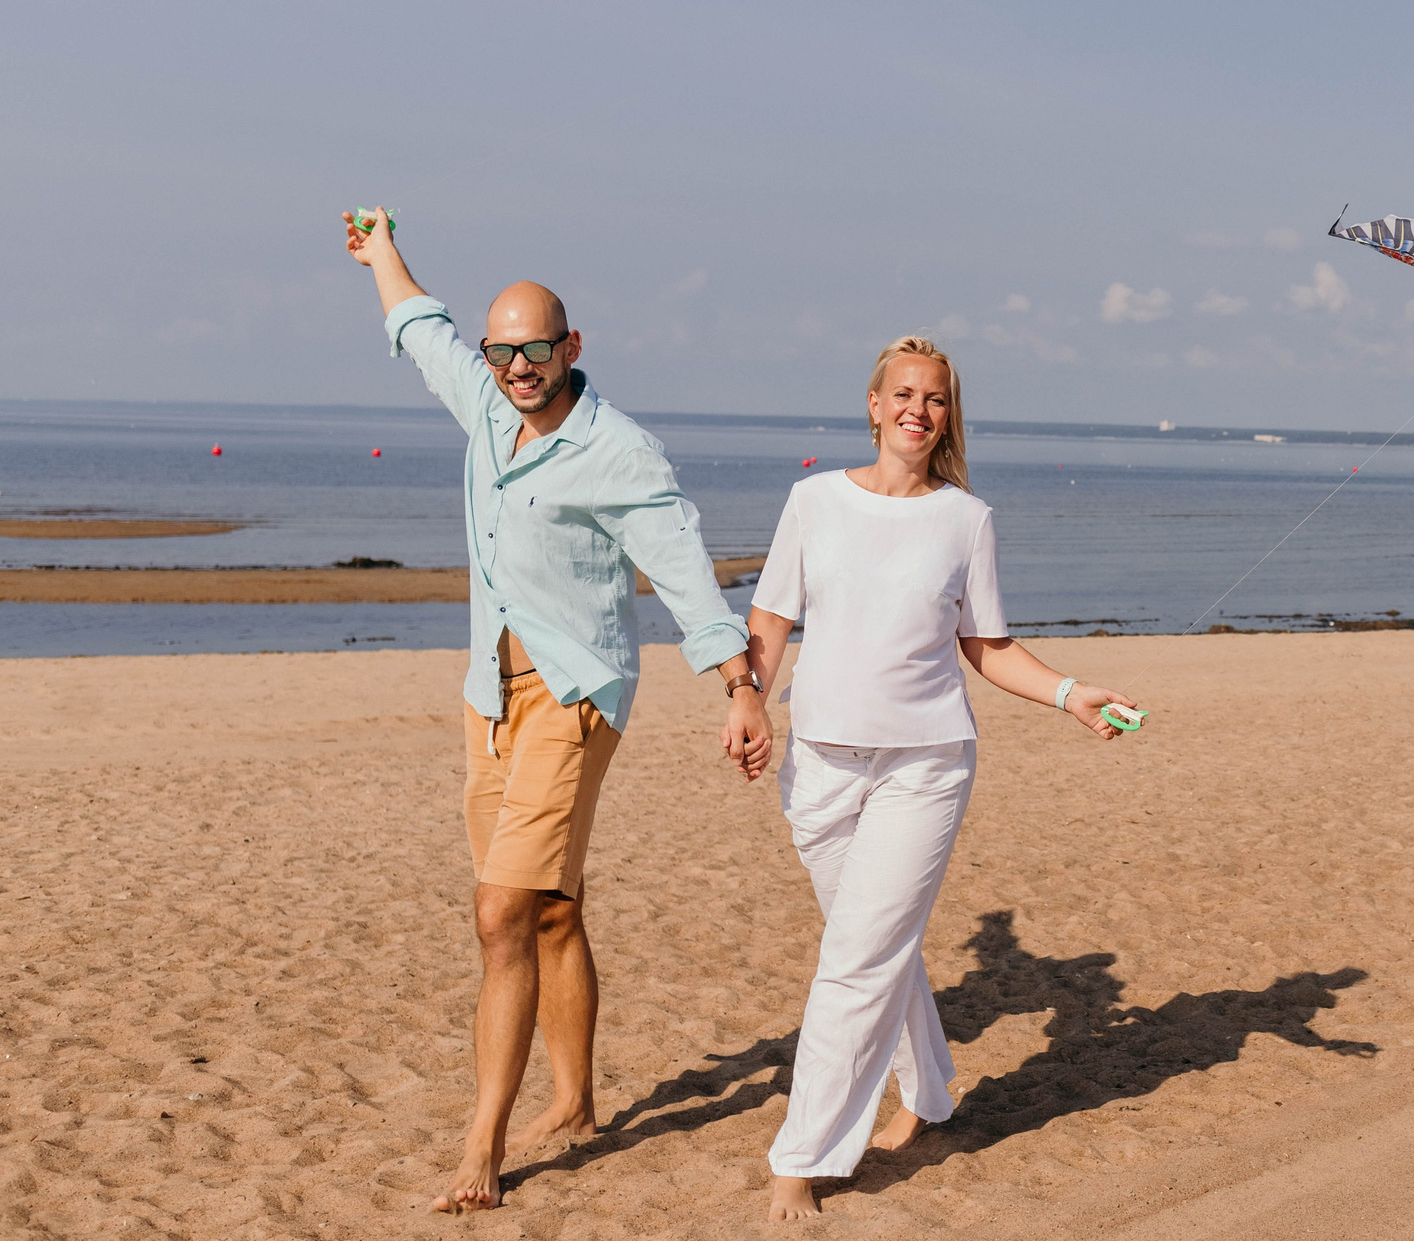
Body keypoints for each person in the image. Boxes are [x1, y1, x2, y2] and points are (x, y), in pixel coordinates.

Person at [340, 208, 774, 1214]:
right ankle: (576, 1103)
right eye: (502, 351)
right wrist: (381, 253)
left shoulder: (620, 452)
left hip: (576, 695)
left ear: (571, 347)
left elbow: (682, 572)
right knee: (550, 908)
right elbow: (418, 331)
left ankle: (480, 1149)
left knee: (499, 913)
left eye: (534, 348)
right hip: (488, 694)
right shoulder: (485, 404)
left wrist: (740, 687)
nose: (516, 366)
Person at [747, 336, 1139, 1222]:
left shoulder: (966, 519)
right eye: (905, 394)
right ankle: (929, 1094)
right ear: (876, 404)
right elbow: (770, 615)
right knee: (877, 943)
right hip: (817, 764)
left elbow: (987, 646)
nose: (920, 409)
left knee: (855, 958)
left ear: (946, 416)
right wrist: (747, 700)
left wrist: (1070, 693)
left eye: (937, 398)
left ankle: (799, 1160)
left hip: (925, 766)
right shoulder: (812, 500)